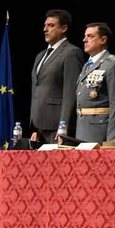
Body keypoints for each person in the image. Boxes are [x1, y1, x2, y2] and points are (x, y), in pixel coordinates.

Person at [29, 9, 81, 141]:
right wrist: (34, 126)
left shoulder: (71, 53)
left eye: (51, 26)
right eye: (45, 25)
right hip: (39, 126)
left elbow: (70, 92)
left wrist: (64, 126)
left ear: (64, 28)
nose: (45, 29)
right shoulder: (40, 56)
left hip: (57, 126)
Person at [72, 22, 115, 143]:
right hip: (82, 128)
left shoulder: (111, 64)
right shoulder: (87, 65)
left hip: (100, 130)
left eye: (90, 36)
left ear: (103, 40)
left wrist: (111, 140)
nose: (84, 40)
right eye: (85, 36)